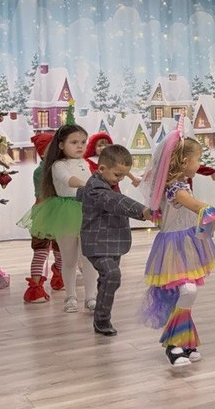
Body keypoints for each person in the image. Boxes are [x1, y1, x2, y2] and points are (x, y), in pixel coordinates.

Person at [139, 121, 215, 367]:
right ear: (184, 161)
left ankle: (184, 342)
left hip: (187, 242)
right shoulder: (175, 189)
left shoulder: (180, 184)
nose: (199, 164)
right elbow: (196, 206)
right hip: (173, 246)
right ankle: (173, 344)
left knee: (185, 293)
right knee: (187, 291)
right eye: (197, 159)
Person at [77, 144, 152, 336]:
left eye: (123, 176)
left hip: (113, 243)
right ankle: (102, 320)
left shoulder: (104, 184)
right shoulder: (96, 188)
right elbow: (115, 201)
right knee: (112, 275)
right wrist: (143, 211)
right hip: (96, 244)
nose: (120, 179)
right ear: (102, 168)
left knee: (108, 280)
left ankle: (101, 317)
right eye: (117, 175)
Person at [29, 124, 98, 313]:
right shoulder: (58, 165)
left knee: (89, 258)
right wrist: (88, 185)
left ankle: (91, 297)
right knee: (69, 259)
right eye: (74, 142)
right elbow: (69, 180)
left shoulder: (85, 163)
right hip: (65, 212)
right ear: (61, 145)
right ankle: (71, 296)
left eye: (83, 142)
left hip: (87, 210)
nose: (80, 146)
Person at [21, 132, 64, 303]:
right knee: (41, 251)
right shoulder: (42, 171)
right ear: (43, 152)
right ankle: (36, 288)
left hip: (58, 213)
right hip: (46, 214)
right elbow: (42, 196)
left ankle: (59, 279)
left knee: (61, 251)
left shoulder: (59, 167)